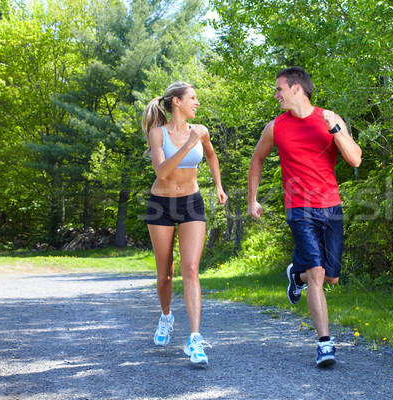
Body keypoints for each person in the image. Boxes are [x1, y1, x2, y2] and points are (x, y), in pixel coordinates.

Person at [247, 67, 362, 366]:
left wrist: (335, 130)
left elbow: (355, 159)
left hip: (330, 206)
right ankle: (325, 343)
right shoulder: (275, 127)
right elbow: (257, 159)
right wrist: (252, 199)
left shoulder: (330, 118)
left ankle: (294, 275)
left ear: (296, 88)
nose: (276, 95)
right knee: (317, 274)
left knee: (332, 278)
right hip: (298, 207)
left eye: (279, 89)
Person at [142, 81, 227, 366]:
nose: (197, 103)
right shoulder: (158, 133)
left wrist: (218, 186)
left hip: (192, 202)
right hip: (160, 206)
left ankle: (195, 338)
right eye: (192, 98)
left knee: (191, 269)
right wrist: (189, 144)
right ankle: (166, 316)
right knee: (165, 273)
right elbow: (162, 172)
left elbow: (212, 157)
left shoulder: (201, 132)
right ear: (176, 101)